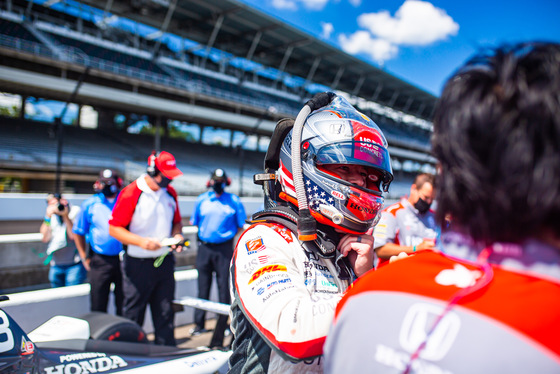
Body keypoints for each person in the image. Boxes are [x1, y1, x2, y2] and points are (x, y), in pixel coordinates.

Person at [324, 42, 560, 373]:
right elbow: (378, 245)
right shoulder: (391, 221)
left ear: (447, 167)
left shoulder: (360, 299)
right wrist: (416, 249)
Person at [228, 92, 394, 373]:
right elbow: (293, 333)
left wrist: (366, 275)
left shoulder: (344, 246)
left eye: (370, 176)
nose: (361, 182)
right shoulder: (264, 239)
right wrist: (374, 292)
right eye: (344, 168)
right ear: (304, 164)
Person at [108, 150, 185, 346]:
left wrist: (177, 235)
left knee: (166, 312)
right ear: (153, 171)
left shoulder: (170, 193)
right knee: (134, 312)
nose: (170, 180)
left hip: (164, 261)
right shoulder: (132, 192)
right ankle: (131, 353)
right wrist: (142, 242)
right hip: (138, 264)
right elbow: (114, 229)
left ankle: (167, 352)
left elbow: (176, 222)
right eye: (167, 176)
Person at [190, 168, 246, 348]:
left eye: (220, 181)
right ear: (210, 181)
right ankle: (199, 324)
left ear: (226, 182)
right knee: (202, 289)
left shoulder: (234, 201)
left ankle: (225, 326)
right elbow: (195, 222)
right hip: (205, 249)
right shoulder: (202, 200)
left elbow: (240, 225)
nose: (217, 183)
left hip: (224, 250)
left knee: (224, 290)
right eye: (215, 180)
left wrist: (226, 237)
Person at [73, 169, 124, 315]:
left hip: (123, 259)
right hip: (100, 260)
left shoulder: (124, 201)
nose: (107, 186)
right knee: (98, 302)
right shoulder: (90, 204)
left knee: (124, 302)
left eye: (110, 183)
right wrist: (84, 257)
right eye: (104, 183)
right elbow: (78, 232)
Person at [373, 172, 438, 266]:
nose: (429, 202)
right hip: (395, 273)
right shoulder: (391, 213)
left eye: (432, 199)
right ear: (414, 189)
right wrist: (416, 248)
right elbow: (380, 249)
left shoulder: (434, 217)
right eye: (426, 197)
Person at [40, 193, 86, 288]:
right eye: (52, 204)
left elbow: (73, 236)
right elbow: (44, 238)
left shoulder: (75, 211)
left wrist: (65, 215)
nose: (56, 206)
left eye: (57, 203)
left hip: (74, 264)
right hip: (56, 265)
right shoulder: (51, 216)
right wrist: (47, 217)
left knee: (72, 296)